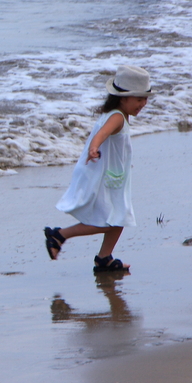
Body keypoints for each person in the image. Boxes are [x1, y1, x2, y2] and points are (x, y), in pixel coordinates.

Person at [45, 65, 153, 273]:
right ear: (123, 98)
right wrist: (94, 147)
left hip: (113, 177)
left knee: (120, 217)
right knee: (109, 221)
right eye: (139, 99)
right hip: (106, 178)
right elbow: (102, 134)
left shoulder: (117, 114)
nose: (143, 104)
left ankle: (104, 258)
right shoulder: (117, 117)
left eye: (145, 99)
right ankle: (59, 235)